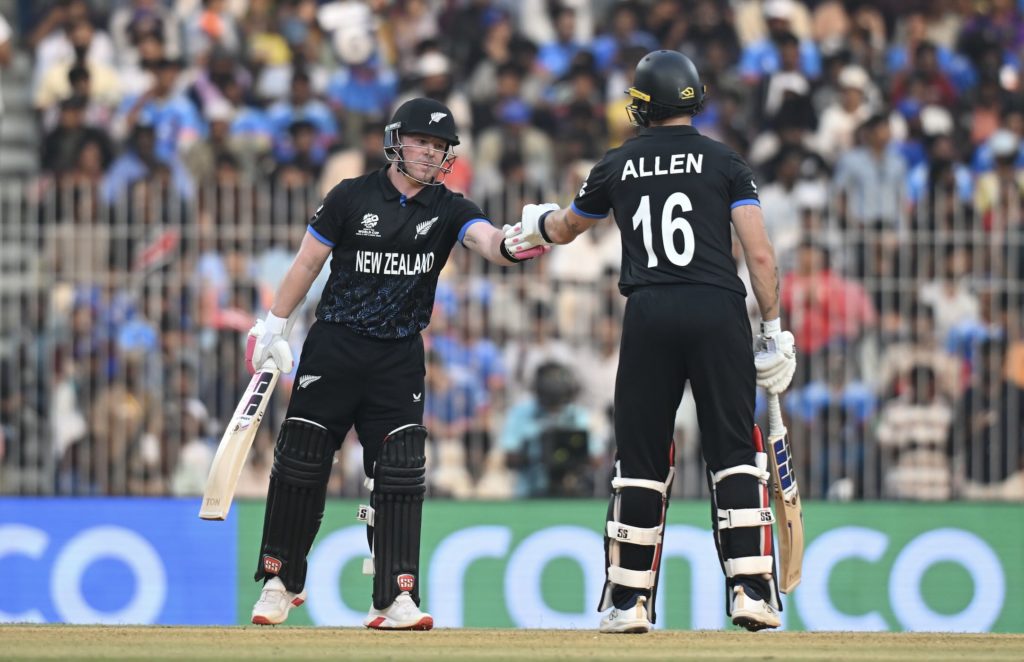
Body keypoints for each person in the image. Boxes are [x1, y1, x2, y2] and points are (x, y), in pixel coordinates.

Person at [504, 50, 797, 633]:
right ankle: (752, 593)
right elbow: (760, 256)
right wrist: (771, 330)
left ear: (642, 103)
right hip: (718, 312)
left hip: (650, 312)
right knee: (736, 454)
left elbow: (566, 229)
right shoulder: (726, 162)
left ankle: (629, 601)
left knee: (640, 459)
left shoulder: (618, 163)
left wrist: (536, 224)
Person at [245, 97, 548, 630]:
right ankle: (280, 581)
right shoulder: (351, 196)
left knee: (401, 473)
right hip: (335, 345)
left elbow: (491, 243)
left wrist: (525, 239)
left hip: (399, 355)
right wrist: (274, 324)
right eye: (422, 142)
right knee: (302, 461)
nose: (431, 154)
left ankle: (393, 596)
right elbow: (307, 261)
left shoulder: (450, 208)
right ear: (396, 140)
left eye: (440, 147)